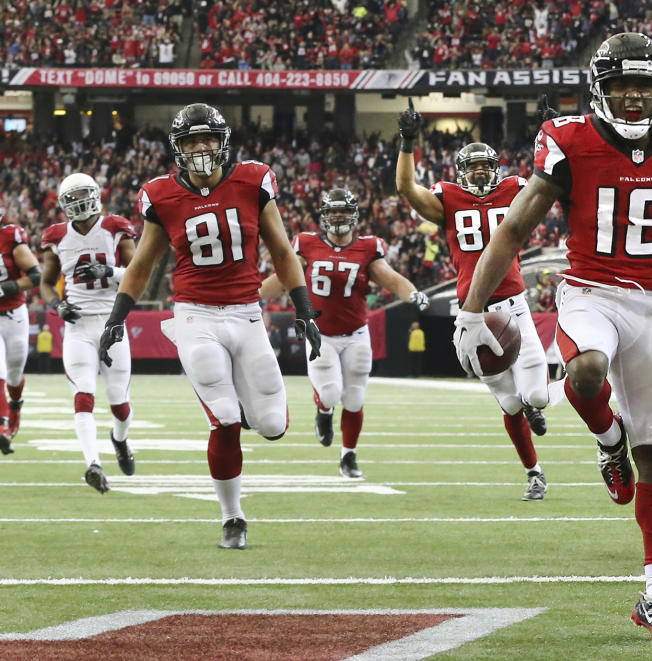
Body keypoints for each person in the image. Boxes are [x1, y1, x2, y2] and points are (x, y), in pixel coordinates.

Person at [455, 33, 652, 643]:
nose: (632, 97)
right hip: (587, 291)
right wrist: (472, 310)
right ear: (600, 90)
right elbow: (513, 229)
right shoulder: (570, 140)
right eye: (620, 85)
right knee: (585, 373)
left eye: (643, 85)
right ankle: (609, 440)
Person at [97, 103, 322, 550]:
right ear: (177, 149)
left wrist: (304, 309)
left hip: (246, 311)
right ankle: (232, 517)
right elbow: (142, 264)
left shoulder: (254, 180)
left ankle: (240, 398)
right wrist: (116, 318)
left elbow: (282, 252)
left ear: (223, 141)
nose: (201, 147)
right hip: (195, 313)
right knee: (225, 418)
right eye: (191, 140)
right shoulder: (161, 195)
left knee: (274, 425)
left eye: (208, 138)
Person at [396, 102, 550, 502]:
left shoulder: (514, 189)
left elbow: (551, 178)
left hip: (515, 307)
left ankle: (538, 408)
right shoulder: (447, 198)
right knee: (511, 403)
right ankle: (534, 473)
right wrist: (407, 143)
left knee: (536, 396)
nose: (480, 174)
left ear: (495, 169)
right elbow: (406, 190)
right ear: (460, 174)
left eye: (486, 166)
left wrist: (548, 133)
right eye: (473, 168)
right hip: (474, 316)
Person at [259, 188, 429, 479]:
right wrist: (253, 294)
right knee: (330, 392)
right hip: (320, 334)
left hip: (356, 334)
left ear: (355, 216)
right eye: (333, 212)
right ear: (324, 216)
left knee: (354, 400)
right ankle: (324, 413)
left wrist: (412, 294)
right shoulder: (307, 244)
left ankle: (348, 456)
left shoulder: (367, 247)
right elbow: (285, 277)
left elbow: (390, 278)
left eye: (344, 212)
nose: (338, 217)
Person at [40, 172, 138, 493]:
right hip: (78, 325)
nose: (79, 202)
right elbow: (45, 282)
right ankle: (93, 463)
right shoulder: (56, 236)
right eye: (72, 197)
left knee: (118, 404)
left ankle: (119, 439)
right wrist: (57, 305)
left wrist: (108, 271)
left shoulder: (114, 227)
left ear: (96, 195)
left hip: (112, 322)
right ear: (62, 204)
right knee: (83, 396)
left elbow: (137, 274)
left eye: (84, 194)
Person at [0, 212, 41, 453]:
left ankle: (15, 407)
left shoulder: (9, 237)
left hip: (14, 314)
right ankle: (2, 426)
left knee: (14, 373)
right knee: (0, 371)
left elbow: (35, 275)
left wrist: (9, 288)